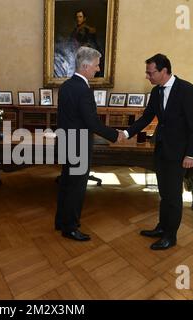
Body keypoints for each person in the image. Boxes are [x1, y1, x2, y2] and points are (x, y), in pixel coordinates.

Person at [118, 53, 193, 250]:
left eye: (150, 72)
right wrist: (126, 132)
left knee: (173, 196)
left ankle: (170, 236)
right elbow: (147, 117)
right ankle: (162, 227)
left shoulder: (187, 90)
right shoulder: (156, 92)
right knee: (164, 193)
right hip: (162, 150)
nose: (148, 76)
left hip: (180, 154)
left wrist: (191, 154)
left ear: (164, 71)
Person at [55, 46, 118, 241]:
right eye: (96, 66)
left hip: (66, 143)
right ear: (85, 66)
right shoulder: (83, 90)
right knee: (76, 187)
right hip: (79, 146)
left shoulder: (65, 86)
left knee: (66, 183)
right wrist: (115, 135)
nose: (98, 69)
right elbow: (92, 123)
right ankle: (71, 228)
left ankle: (61, 221)